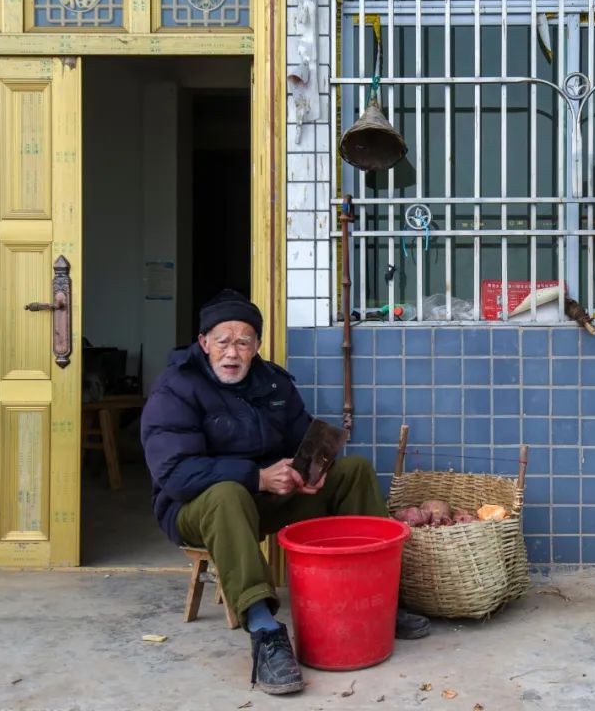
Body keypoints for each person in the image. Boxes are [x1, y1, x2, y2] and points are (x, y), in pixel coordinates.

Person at [141, 289, 430, 695]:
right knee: (227, 494)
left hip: (264, 501)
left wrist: (313, 467)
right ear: (203, 342)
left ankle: (379, 602)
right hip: (195, 508)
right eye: (222, 341)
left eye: (243, 341)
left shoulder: (272, 382)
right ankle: (264, 631)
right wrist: (257, 477)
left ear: (256, 345)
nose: (232, 352)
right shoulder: (175, 388)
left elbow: (302, 435)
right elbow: (174, 473)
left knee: (354, 471)